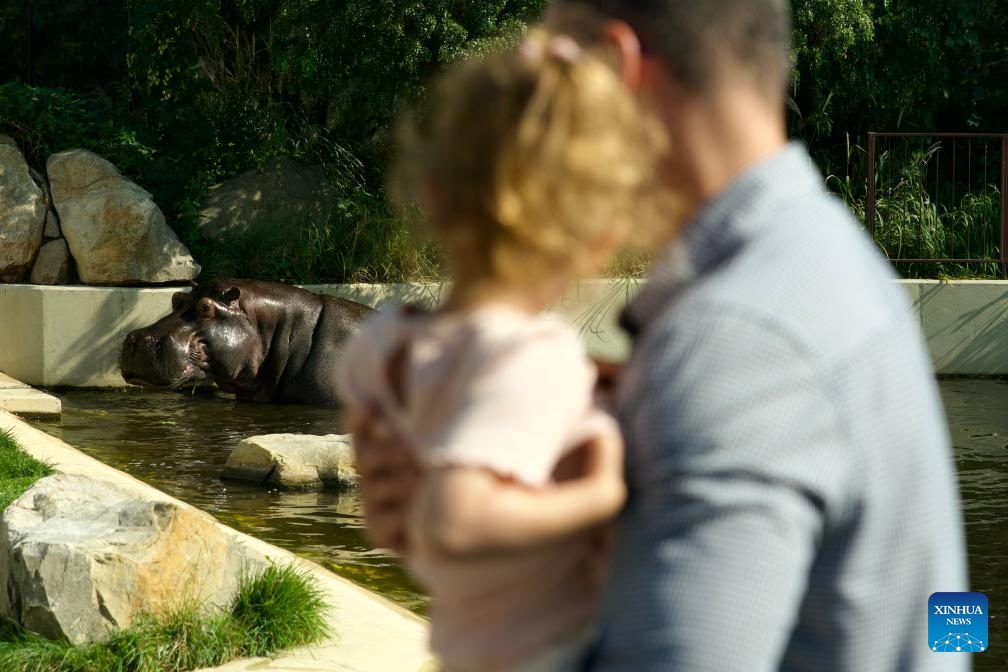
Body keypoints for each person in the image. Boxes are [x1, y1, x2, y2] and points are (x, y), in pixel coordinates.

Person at [352, 1, 970, 670]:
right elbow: (948, 628)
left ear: (618, 68)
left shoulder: (737, 341)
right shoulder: (819, 260)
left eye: (557, 75)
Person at [337, 24, 677, 672]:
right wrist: (601, 496)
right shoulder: (533, 357)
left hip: (459, 646)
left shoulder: (387, 343)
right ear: (598, 239)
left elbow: (399, 524)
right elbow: (454, 522)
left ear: (434, 197)